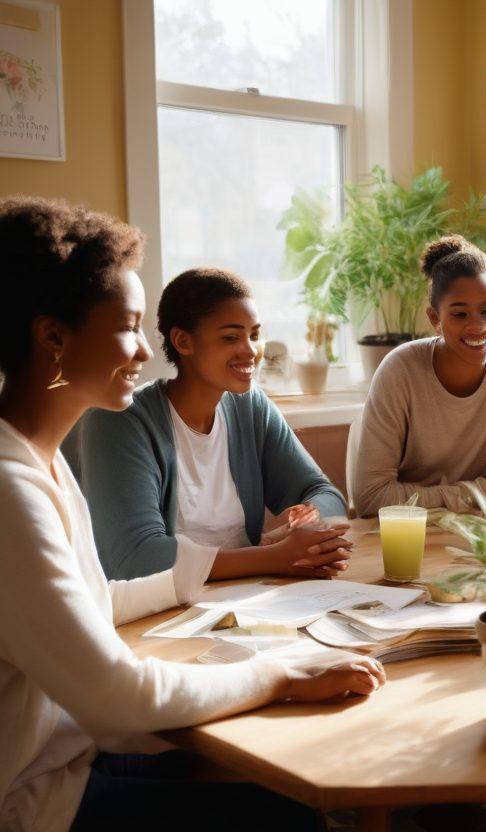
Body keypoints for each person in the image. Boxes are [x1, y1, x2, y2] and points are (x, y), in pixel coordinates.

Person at [0, 196, 385, 832]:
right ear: (53, 338)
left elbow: (94, 602)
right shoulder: (12, 490)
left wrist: (208, 581)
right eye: (127, 327)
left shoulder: (43, 463)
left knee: (287, 786)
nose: (142, 352)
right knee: (286, 813)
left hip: (74, 750)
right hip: (34, 794)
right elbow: (116, 696)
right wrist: (280, 674)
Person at [72, 268, 351, 582]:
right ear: (183, 341)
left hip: (248, 595)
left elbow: (324, 493)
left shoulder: (250, 406)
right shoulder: (122, 420)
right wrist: (273, 556)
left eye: (254, 335)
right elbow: (136, 558)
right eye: (231, 337)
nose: (250, 351)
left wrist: (307, 521)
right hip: (164, 607)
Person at [352, 234, 486, 515]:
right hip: (410, 531)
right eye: (460, 314)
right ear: (435, 318)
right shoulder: (399, 369)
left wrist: (431, 498)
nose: (478, 326)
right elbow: (371, 497)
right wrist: (476, 497)